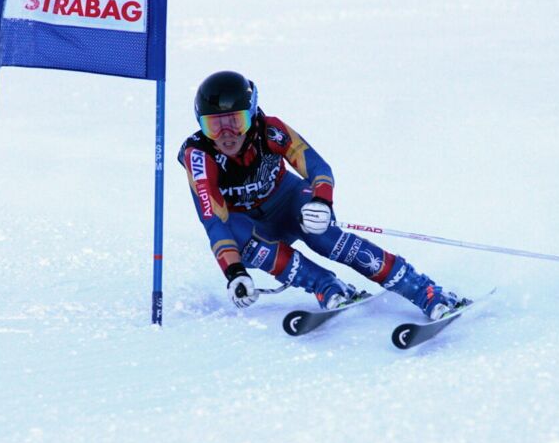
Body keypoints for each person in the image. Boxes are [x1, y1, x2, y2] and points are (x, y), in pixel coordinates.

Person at [178, 71, 468, 318]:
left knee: (324, 237)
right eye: (214, 125)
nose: (226, 134)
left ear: (252, 115)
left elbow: (317, 167)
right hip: (253, 226)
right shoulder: (199, 156)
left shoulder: (271, 130)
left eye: (236, 122)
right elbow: (213, 221)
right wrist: (235, 273)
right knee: (238, 235)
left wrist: (321, 201)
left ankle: (424, 290)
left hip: (289, 202)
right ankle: (325, 286)